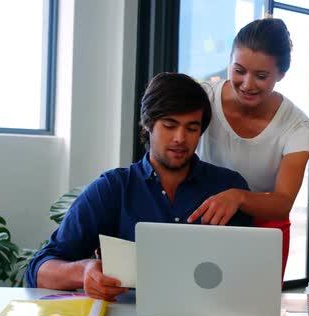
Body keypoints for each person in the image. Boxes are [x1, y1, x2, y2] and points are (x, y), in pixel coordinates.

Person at [25, 73, 252, 300]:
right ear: (148, 124)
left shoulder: (228, 188)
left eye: (191, 129)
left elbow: (251, 274)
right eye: (169, 126)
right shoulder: (113, 189)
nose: (180, 138)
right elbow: (38, 271)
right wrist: (84, 271)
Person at [189, 18, 309, 279]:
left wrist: (239, 197)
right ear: (229, 62)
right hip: (203, 218)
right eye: (239, 70)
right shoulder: (202, 98)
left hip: (263, 224)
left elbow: (282, 203)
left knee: (256, 313)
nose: (247, 84)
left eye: (261, 76)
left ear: (281, 74)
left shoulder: (297, 125)